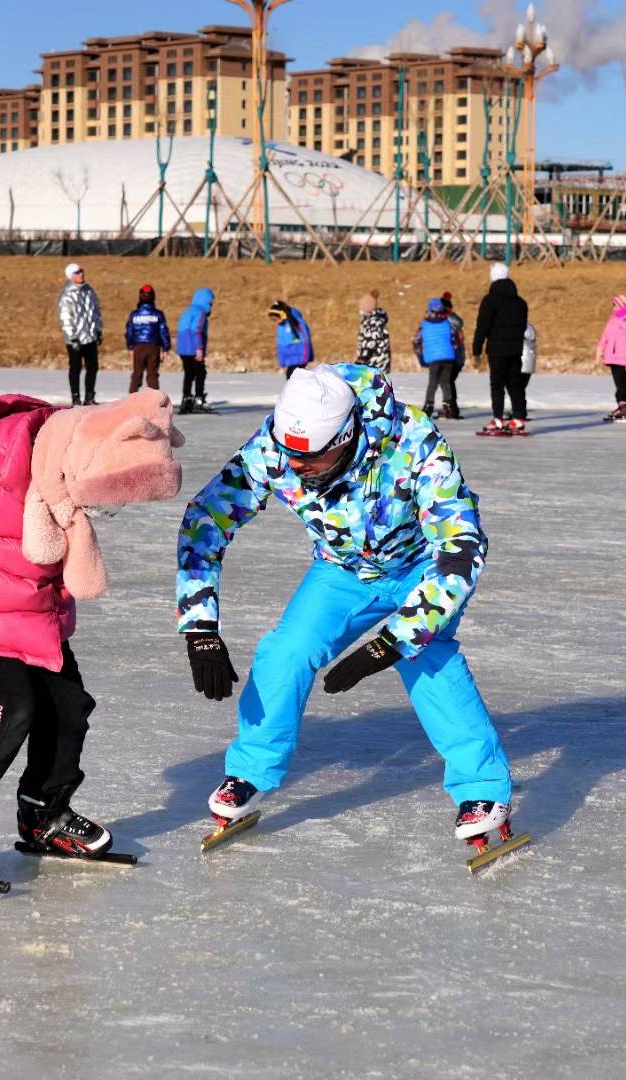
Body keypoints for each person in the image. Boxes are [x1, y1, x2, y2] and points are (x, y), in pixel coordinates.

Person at [176, 364, 515, 847]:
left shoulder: (413, 440)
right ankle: (251, 771)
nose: (294, 467)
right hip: (342, 571)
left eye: (309, 458)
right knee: (286, 651)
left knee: (427, 657)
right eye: (288, 455)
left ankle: (482, 789)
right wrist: (199, 626)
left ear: (346, 435)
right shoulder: (274, 448)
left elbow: (461, 545)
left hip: (424, 566)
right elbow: (205, 521)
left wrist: (393, 643)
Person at [0, 390, 185, 878]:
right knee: (7, 709)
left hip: (26, 614)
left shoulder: (61, 476)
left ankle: (44, 815)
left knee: (69, 707)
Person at [472, 262, 531, 437]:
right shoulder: (521, 303)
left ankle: (498, 419)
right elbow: (522, 327)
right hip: (515, 349)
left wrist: (476, 350)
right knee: (515, 383)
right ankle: (519, 419)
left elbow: (482, 326)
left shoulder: (490, 300)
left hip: (497, 349)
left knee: (497, 384)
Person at [58, 263, 103, 405]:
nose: (81, 274)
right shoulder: (66, 295)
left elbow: (96, 311)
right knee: (75, 367)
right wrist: (72, 338)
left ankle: (89, 397)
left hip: (90, 337)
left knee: (93, 366)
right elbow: (66, 317)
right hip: (75, 340)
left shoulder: (89, 290)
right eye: (77, 272)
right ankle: (75, 397)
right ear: (71, 276)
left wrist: (98, 330)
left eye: (82, 271)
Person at [596, 293, 626, 423]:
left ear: (622, 304)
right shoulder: (613, 319)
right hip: (612, 357)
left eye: (615, 305)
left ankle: (624, 409)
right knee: (620, 385)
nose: (613, 307)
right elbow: (605, 336)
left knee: (622, 386)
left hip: (624, 359)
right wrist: (600, 349)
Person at [413, 297, 459, 419]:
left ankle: (429, 405)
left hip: (433, 358)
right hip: (448, 357)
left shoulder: (424, 324)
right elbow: (455, 338)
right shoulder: (447, 322)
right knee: (445, 382)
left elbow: (416, 339)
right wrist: (453, 350)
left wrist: (420, 355)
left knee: (433, 382)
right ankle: (449, 406)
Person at [125, 284, 171, 395]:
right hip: (153, 347)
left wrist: (130, 347)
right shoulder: (158, 314)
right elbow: (163, 331)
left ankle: (131, 399)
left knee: (137, 374)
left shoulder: (134, 315)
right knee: (152, 375)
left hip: (138, 347)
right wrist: (166, 348)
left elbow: (129, 332)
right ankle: (155, 402)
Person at [176, 287, 215, 414]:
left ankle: (186, 398)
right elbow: (196, 330)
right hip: (193, 349)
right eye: (210, 303)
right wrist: (199, 348)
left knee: (189, 374)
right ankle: (198, 399)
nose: (211, 306)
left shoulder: (188, 311)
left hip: (183, 349)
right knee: (200, 373)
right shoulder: (200, 313)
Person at [268, 300, 314, 378]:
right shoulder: (281, 327)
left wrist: (305, 357)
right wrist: (282, 360)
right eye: (273, 320)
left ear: (282, 315)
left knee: (293, 377)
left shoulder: (297, 323)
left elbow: (305, 341)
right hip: (290, 360)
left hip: (299, 358)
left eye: (275, 319)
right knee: (290, 377)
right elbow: (281, 345)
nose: (275, 322)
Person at [441, 291, 466, 420]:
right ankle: (451, 408)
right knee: (448, 382)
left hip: (451, 357)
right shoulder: (455, 321)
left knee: (447, 382)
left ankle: (451, 409)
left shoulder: (446, 322)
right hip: (458, 357)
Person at [356, 290, 392, 370]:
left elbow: (371, 340)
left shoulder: (374, 322)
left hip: (374, 364)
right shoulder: (370, 320)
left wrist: (363, 358)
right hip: (374, 363)